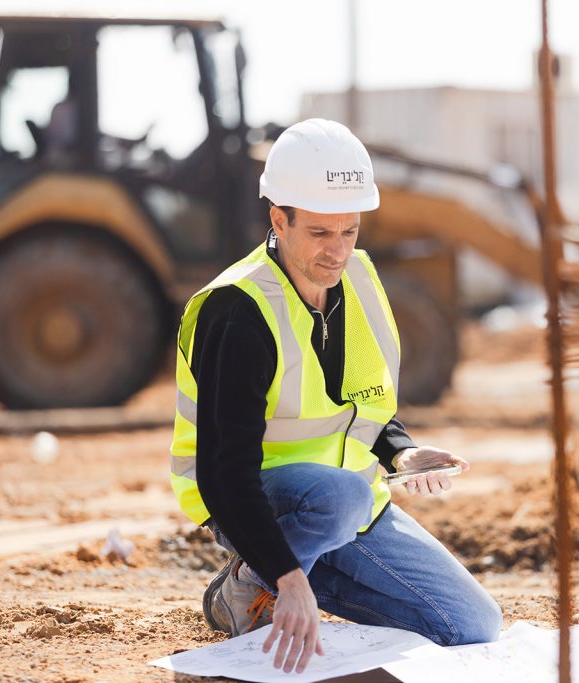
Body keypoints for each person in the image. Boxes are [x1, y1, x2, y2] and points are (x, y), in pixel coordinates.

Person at [168, 118, 501, 674]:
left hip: (349, 505)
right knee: (338, 500)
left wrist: (400, 452)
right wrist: (284, 574)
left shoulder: (362, 283)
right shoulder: (238, 310)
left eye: (349, 231)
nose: (337, 251)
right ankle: (253, 587)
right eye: (320, 233)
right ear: (279, 219)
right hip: (254, 500)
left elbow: (365, 402)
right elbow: (223, 473)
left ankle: (289, 579)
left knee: (471, 627)